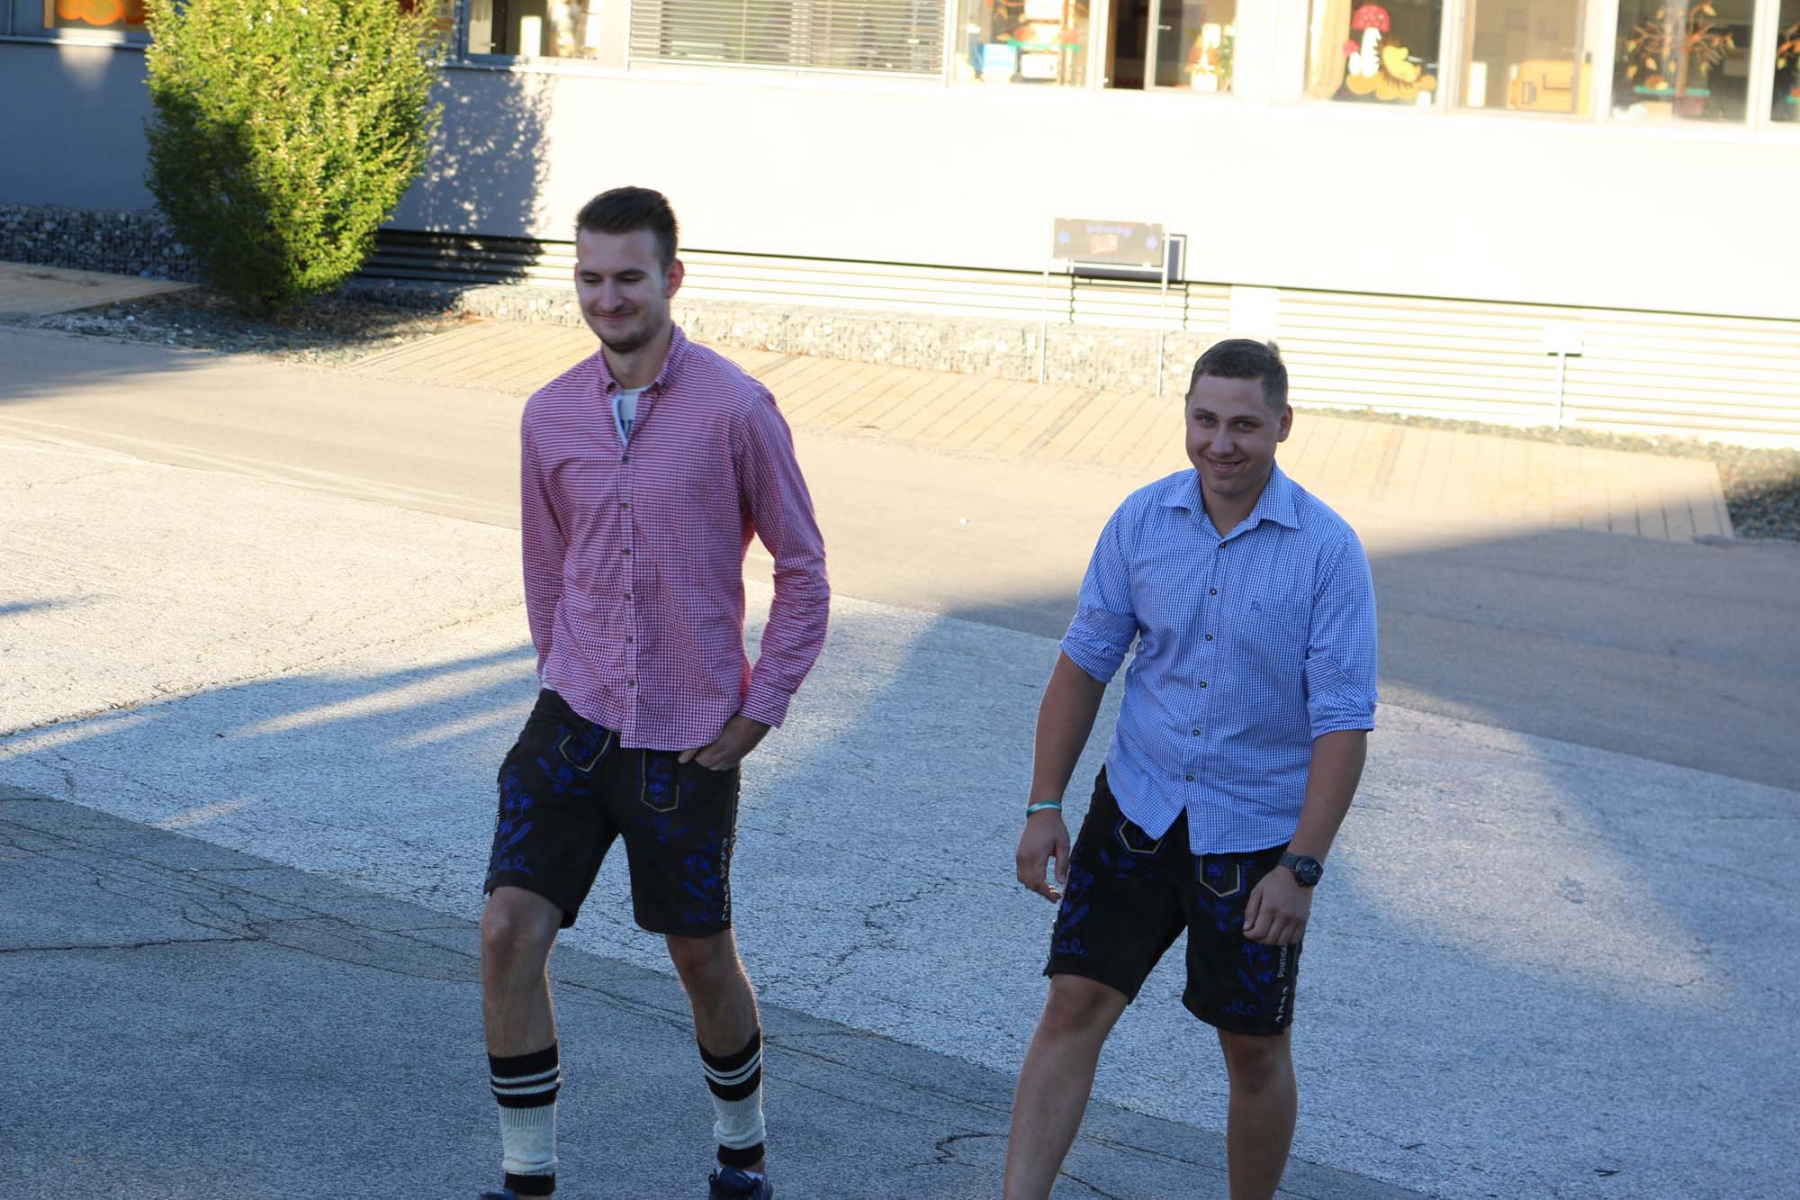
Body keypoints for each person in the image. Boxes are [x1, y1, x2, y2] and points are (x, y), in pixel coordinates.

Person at [477, 186, 829, 1200]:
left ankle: (741, 1154)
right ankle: (528, 1180)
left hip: (686, 736)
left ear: (671, 277)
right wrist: (562, 669)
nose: (609, 298)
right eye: (590, 278)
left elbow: (803, 571)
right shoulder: (548, 416)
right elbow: (547, 567)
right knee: (506, 933)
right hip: (574, 718)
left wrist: (760, 710)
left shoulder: (737, 410)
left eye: (628, 277)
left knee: (700, 957)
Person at [1004, 339, 1377, 1200]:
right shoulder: (1142, 520)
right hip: (1137, 810)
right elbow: (1084, 664)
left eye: (1244, 424)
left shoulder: (1328, 551)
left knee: (1253, 1052)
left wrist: (1301, 868)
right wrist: (1044, 804)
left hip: (1253, 841)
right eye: (1204, 420)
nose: (1220, 443)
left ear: (1283, 425)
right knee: (1072, 1005)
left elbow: (1343, 725)